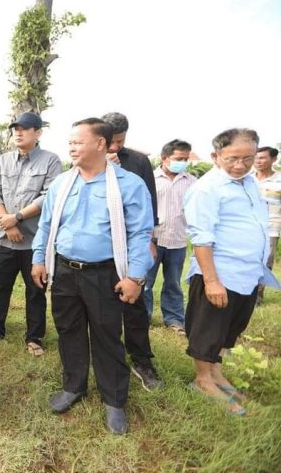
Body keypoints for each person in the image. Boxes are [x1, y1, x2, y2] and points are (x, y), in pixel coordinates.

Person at [31, 117, 153, 435]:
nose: (71, 147)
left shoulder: (128, 184)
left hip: (104, 274)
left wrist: (135, 277)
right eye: (70, 142)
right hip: (64, 271)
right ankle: (74, 386)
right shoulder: (62, 183)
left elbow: (140, 233)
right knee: (68, 330)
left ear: (101, 144)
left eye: (78, 142)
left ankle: (114, 399)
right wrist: (38, 259)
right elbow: (46, 225)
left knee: (106, 335)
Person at [184, 128, 279, 415]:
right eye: (232, 158)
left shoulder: (249, 182)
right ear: (216, 156)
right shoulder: (207, 188)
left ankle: (215, 372)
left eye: (247, 158)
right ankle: (202, 379)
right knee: (209, 328)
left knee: (229, 328)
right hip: (220, 272)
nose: (240, 165)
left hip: (246, 272)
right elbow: (201, 238)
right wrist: (212, 281)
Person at [0, 114, 62, 353]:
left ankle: (34, 337)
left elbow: (49, 196)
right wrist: (7, 223)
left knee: (35, 291)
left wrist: (16, 217)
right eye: (15, 128)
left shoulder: (50, 160)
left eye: (24, 129)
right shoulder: (4, 160)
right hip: (5, 239)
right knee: (0, 287)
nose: (18, 132)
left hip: (34, 241)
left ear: (38, 132)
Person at [102, 111, 163, 391]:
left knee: (134, 304)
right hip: (101, 248)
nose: (115, 147)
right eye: (110, 141)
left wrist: (150, 240)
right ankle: (104, 357)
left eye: (120, 141)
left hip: (132, 246)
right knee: (100, 305)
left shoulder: (138, 161)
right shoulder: (89, 162)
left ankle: (141, 359)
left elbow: (150, 204)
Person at [143, 140, 196, 332]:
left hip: (178, 240)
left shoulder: (191, 182)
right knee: (145, 282)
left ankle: (174, 319)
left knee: (173, 283)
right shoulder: (150, 178)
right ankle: (143, 317)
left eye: (185, 159)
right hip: (152, 239)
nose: (183, 162)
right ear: (164, 158)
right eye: (178, 158)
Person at [253, 146, 280, 304]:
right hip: (249, 227)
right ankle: (244, 292)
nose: (258, 161)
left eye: (262, 158)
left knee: (266, 261)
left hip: (271, 227)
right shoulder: (248, 179)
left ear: (274, 159)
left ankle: (257, 295)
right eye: (256, 158)